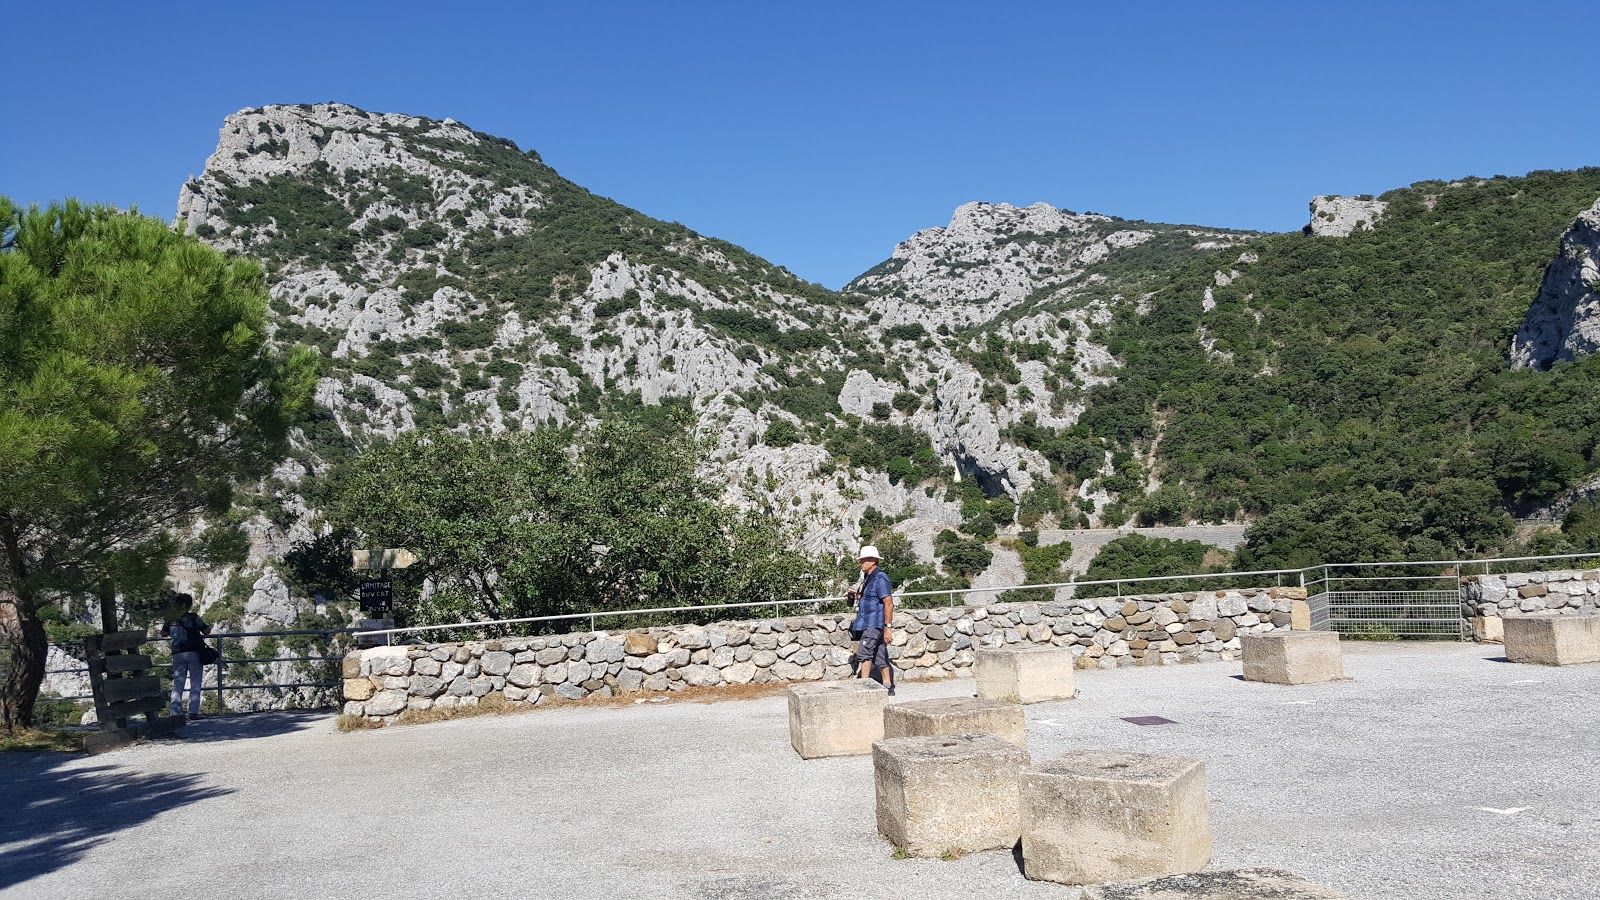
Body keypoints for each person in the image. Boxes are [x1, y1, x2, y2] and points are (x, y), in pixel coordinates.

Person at [848, 545, 895, 696]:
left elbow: (888, 603)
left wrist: (888, 627)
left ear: (873, 560)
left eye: (864, 560)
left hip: (873, 623)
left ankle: (863, 687)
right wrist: (855, 594)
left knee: (865, 653)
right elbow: (871, 598)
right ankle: (888, 685)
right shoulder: (869, 578)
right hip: (871, 622)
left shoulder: (880, 578)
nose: (861, 562)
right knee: (880, 654)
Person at [167, 593, 211, 720]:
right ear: (189, 605)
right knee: (195, 682)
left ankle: (175, 713)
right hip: (194, 653)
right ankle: (193, 712)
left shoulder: (171, 619)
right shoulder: (194, 617)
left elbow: (163, 632)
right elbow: (207, 631)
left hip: (177, 654)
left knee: (178, 683)